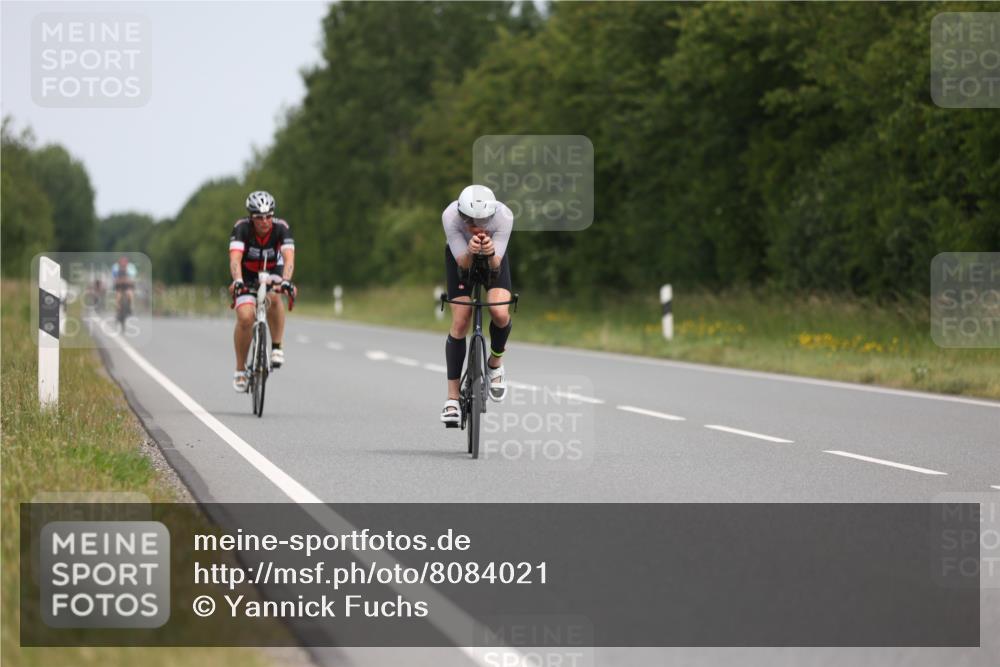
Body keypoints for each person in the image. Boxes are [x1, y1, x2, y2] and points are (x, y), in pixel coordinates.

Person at [440, 184, 514, 425]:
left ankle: (495, 364)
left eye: (484, 220)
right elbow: (462, 263)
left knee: (499, 312)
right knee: (461, 321)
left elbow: (496, 266)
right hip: (460, 257)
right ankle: (452, 400)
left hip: (495, 258)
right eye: (470, 220)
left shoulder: (504, 216)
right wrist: (471, 252)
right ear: (461, 214)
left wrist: (490, 253)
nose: (478, 226)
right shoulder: (450, 216)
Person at [228, 190, 296, 392]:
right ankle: (240, 369)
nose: (264, 221)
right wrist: (238, 280)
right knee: (245, 318)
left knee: (274, 296)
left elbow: (289, 258)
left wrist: (286, 281)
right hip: (247, 274)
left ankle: (276, 347)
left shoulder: (281, 228)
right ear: (251, 217)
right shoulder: (241, 228)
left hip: (273, 270)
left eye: (268, 216)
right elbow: (234, 260)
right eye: (259, 217)